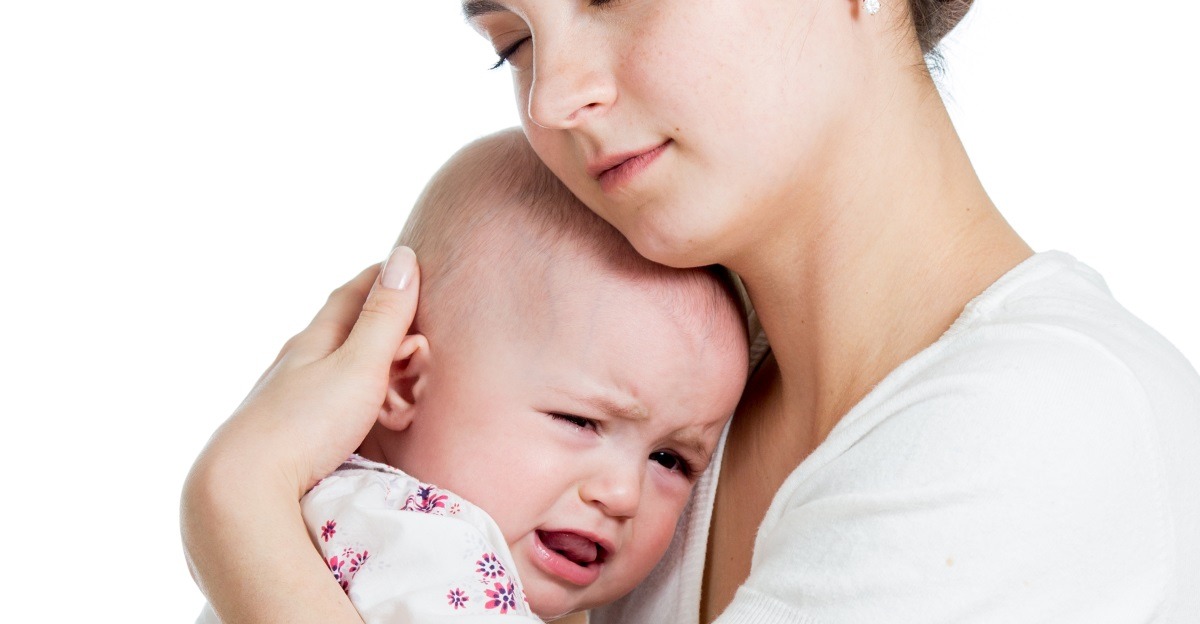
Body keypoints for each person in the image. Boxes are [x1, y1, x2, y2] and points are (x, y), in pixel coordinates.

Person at [182, 0, 1200, 621]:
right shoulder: (648, 419)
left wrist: (240, 516)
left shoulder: (1052, 430)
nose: (548, 101)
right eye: (514, 41)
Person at [190, 129, 748, 623]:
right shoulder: (431, 551)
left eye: (670, 459)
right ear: (404, 381)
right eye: (579, 420)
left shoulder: (342, 520)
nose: (622, 494)